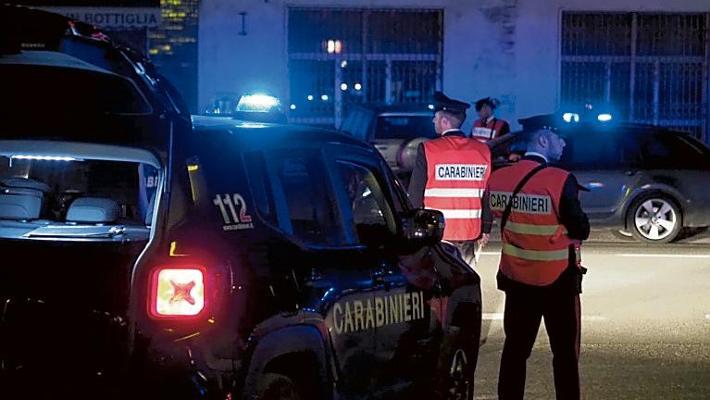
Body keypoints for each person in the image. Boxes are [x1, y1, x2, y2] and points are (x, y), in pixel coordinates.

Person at [487, 122, 590, 400]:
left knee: (515, 351)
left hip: (516, 279)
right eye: (560, 137)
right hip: (558, 281)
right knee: (565, 355)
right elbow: (581, 229)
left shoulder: (499, 177)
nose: (564, 144)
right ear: (543, 140)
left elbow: (495, 214)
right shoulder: (559, 179)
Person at [408, 91, 492, 266]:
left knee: (438, 284)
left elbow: (415, 194)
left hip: (438, 234)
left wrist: (412, 229)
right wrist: (486, 227)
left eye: (436, 117)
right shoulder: (482, 150)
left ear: (445, 121)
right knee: (467, 281)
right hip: (469, 231)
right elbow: (486, 193)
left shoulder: (428, 149)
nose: (433, 121)